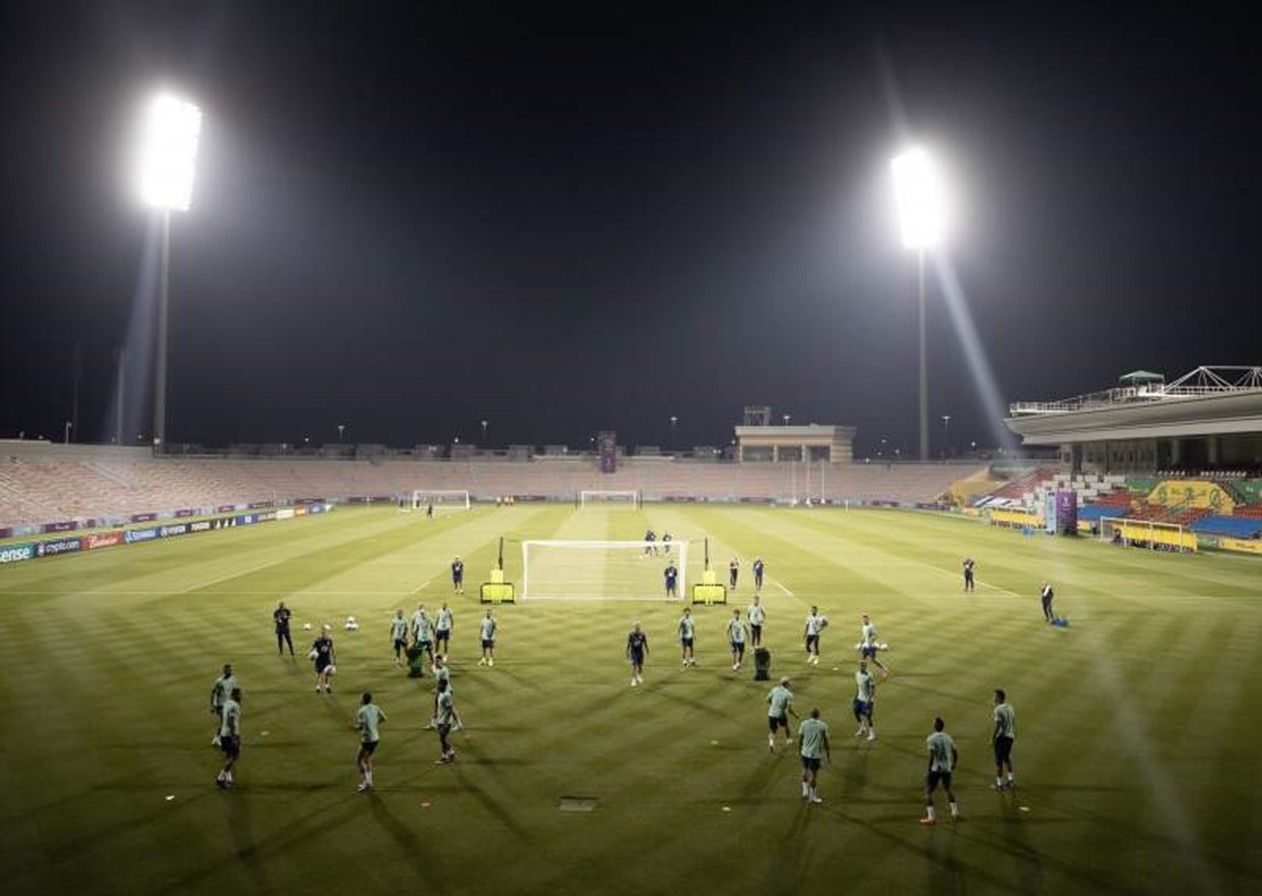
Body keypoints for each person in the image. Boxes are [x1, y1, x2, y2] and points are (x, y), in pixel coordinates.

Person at [921, 716, 961, 824]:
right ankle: (955, 812)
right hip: (946, 768)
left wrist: (929, 768)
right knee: (948, 789)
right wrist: (953, 764)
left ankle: (931, 817)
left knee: (928, 792)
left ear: (935, 726)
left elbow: (932, 755)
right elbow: (955, 753)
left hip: (935, 769)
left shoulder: (931, 738)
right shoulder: (948, 738)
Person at [354, 692, 387, 792]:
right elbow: (384, 718)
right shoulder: (376, 707)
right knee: (367, 759)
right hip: (376, 738)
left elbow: (360, 726)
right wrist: (374, 724)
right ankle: (370, 782)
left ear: (363, 699)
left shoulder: (361, 711)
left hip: (367, 739)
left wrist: (354, 728)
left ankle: (366, 783)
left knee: (359, 760)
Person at [798, 707, 830, 805]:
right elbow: (825, 742)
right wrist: (828, 755)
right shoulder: (822, 726)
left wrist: (799, 751)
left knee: (804, 770)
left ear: (810, 715)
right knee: (814, 775)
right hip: (815, 754)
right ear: (818, 715)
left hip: (804, 752)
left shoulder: (804, 724)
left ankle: (805, 791)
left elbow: (800, 739)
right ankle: (812, 797)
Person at [215, 687, 242, 789]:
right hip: (229, 735)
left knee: (229, 754)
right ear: (234, 695)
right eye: (239, 694)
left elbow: (223, 716)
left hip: (223, 734)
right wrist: (234, 736)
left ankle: (227, 776)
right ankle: (221, 777)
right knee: (234, 755)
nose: (241, 696)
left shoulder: (227, 703)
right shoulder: (234, 706)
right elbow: (231, 720)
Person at [766, 676, 798, 751]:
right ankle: (789, 739)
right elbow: (789, 710)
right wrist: (795, 715)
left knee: (772, 731)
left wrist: (773, 705)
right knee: (786, 726)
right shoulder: (789, 694)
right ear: (786, 684)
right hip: (781, 714)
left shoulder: (774, 689)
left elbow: (767, 700)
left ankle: (771, 743)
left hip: (771, 713)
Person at [434, 678, 462, 763]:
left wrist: (446, 723)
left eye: (439, 685)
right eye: (438, 684)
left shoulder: (447, 695)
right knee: (442, 739)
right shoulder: (440, 693)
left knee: (442, 738)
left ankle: (445, 756)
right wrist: (436, 714)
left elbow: (450, 710)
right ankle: (450, 753)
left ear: (444, 685)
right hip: (440, 719)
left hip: (445, 721)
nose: (438, 686)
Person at [993, 689, 1016, 790]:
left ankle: (999, 784)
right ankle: (1011, 780)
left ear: (1000, 698)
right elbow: (1012, 721)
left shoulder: (998, 709)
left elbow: (998, 725)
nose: (993, 698)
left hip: (1001, 737)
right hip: (1010, 736)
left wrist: (993, 738)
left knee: (999, 761)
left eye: (995, 696)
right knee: (1006, 757)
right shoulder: (1010, 708)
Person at [210, 664, 237, 746]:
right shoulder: (219, 682)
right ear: (224, 671)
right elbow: (213, 693)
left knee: (228, 723)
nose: (230, 671)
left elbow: (234, 692)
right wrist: (212, 705)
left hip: (230, 705)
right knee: (225, 722)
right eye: (228, 670)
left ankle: (218, 737)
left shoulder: (233, 679)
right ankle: (221, 738)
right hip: (221, 705)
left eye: (231, 670)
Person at [859, 614, 891, 679]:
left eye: (866, 619)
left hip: (871, 646)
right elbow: (863, 636)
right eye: (864, 619)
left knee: (873, 660)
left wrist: (871, 641)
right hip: (865, 645)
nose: (864, 620)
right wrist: (861, 643)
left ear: (868, 619)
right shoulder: (863, 626)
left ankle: (884, 669)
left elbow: (875, 635)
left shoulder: (871, 626)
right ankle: (864, 671)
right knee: (863, 658)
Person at [854, 660, 877, 741]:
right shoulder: (857, 674)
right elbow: (858, 686)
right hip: (859, 698)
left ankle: (872, 734)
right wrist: (855, 696)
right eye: (859, 665)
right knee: (856, 712)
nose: (860, 667)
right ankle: (862, 728)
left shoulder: (869, 675)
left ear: (865, 667)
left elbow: (873, 689)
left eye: (862, 666)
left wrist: (869, 700)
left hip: (867, 700)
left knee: (868, 716)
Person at [312, 625, 336, 693]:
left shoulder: (329, 640)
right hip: (319, 659)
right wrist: (312, 654)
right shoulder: (317, 640)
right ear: (322, 632)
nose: (325, 633)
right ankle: (318, 687)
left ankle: (327, 686)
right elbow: (313, 648)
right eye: (324, 631)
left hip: (327, 659)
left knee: (327, 673)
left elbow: (331, 649)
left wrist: (334, 658)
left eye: (326, 631)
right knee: (319, 673)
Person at [627, 621, 649, 686]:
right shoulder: (631, 634)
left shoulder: (642, 634)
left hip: (640, 652)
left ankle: (638, 676)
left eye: (638, 626)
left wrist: (647, 649)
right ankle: (633, 680)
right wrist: (627, 651)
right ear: (634, 627)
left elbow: (645, 642)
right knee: (634, 666)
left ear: (639, 627)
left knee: (640, 666)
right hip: (634, 652)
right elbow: (629, 643)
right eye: (636, 627)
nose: (637, 628)